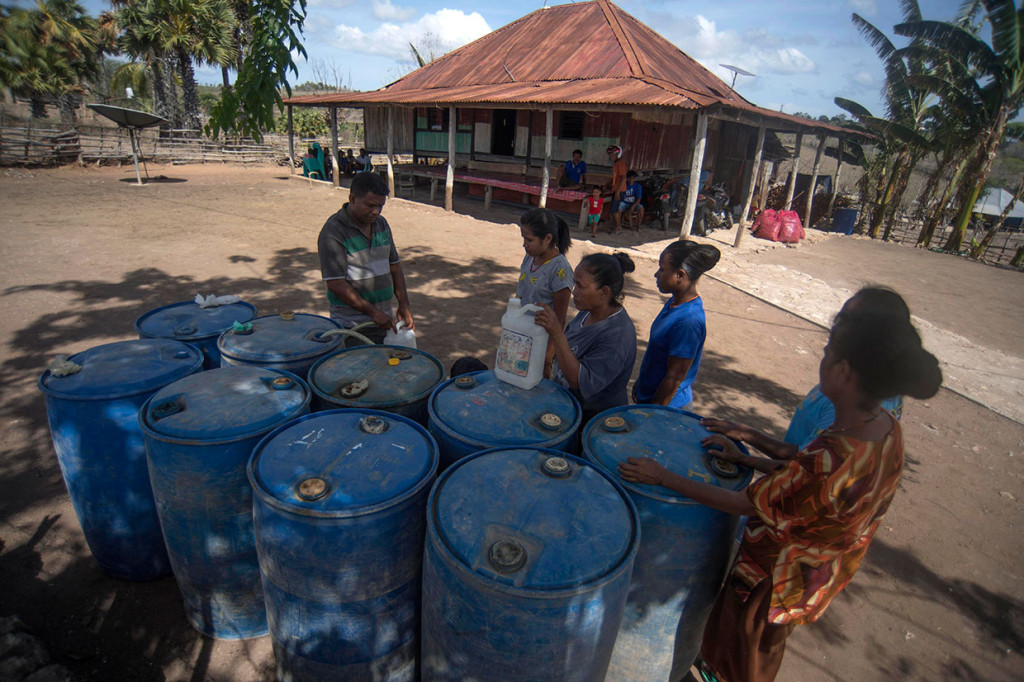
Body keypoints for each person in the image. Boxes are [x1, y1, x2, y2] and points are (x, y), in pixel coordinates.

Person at [618, 292, 942, 682]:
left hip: (776, 581)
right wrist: (746, 456)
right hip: (816, 573)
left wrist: (662, 476)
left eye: (826, 351)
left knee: (746, 655)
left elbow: (744, 503)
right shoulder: (884, 430)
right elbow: (806, 484)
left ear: (843, 372)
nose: (820, 359)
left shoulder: (834, 454)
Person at [702, 287, 913, 458]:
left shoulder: (848, 411)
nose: (835, 323)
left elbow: (803, 464)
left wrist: (747, 443)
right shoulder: (877, 390)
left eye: (845, 319)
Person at [533, 252, 637, 425]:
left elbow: (578, 381)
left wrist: (557, 334)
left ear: (604, 292)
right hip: (568, 409)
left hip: (592, 422)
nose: (574, 292)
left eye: (580, 286)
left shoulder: (618, 334)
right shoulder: (588, 312)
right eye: (575, 283)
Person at [317, 171, 413, 344]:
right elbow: (335, 284)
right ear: (352, 199)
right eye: (370, 205)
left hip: (384, 321)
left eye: (380, 206)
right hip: (352, 327)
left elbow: (395, 267)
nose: (376, 212)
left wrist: (404, 304)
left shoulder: (382, 224)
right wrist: (373, 312)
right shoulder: (333, 232)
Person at [633, 240, 721, 409]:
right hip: (651, 397)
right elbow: (658, 354)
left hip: (668, 408)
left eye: (662, 269)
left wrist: (652, 413)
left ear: (680, 275)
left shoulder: (688, 322)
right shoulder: (675, 303)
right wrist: (642, 381)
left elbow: (674, 378)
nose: (656, 275)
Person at [516, 208, 573, 329]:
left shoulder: (560, 270)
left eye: (529, 240)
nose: (524, 244)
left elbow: (559, 321)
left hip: (541, 338)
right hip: (521, 331)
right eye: (523, 238)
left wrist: (549, 348)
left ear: (547, 238)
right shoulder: (529, 258)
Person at [606, 145, 627, 234]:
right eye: (610, 154)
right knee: (615, 209)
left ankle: (618, 227)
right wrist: (607, 184)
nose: (611, 156)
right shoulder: (615, 164)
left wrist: (618, 191)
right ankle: (615, 226)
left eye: (612, 154)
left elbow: (623, 178)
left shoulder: (620, 163)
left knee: (614, 210)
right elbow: (616, 177)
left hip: (620, 190)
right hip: (616, 189)